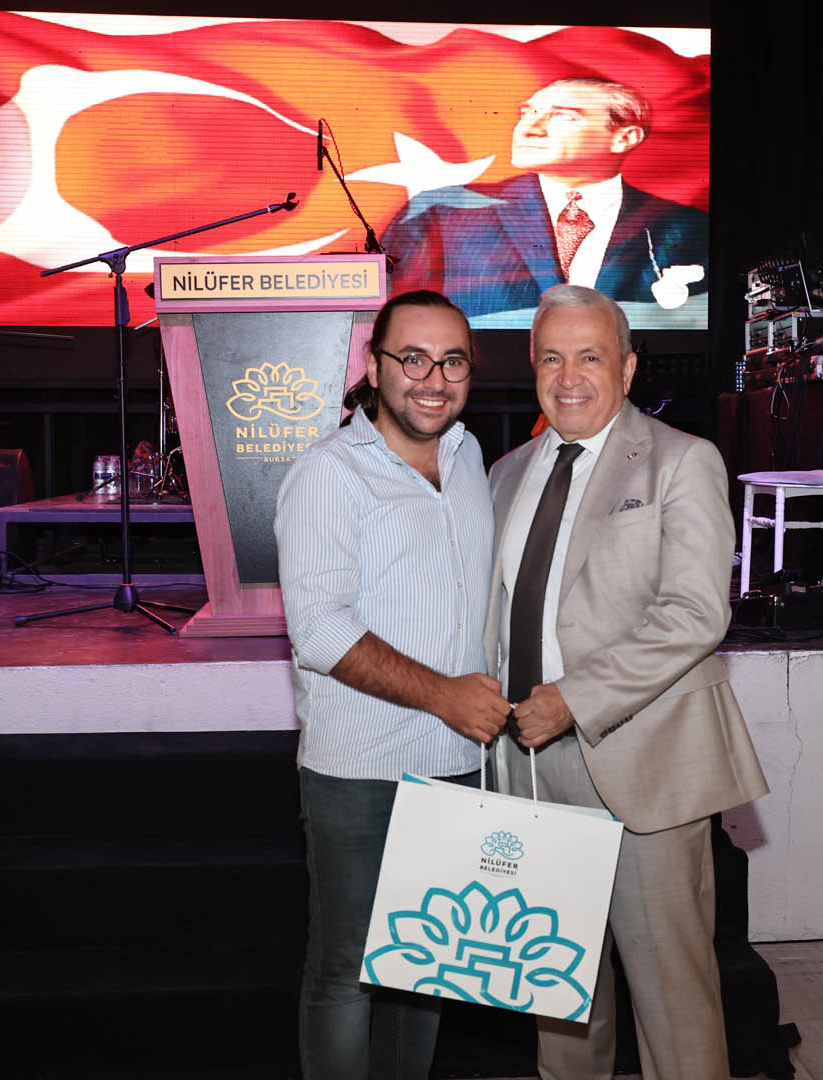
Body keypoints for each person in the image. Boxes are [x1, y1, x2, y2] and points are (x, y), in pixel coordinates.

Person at [485, 284, 768, 1077]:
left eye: (590, 356)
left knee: (675, 1006)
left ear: (628, 367)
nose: (568, 376)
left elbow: (696, 613)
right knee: (555, 993)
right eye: (551, 358)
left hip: (643, 765)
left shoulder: (682, 460)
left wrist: (571, 701)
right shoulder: (506, 473)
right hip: (528, 769)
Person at [274, 289, 512, 1078]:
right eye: (413, 358)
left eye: (452, 361)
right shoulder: (328, 474)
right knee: (347, 974)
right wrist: (446, 695)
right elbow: (319, 632)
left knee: (428, 969)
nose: (433, 380)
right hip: (361, 772)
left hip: (460, 763)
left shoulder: (470, 456)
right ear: (374, 367)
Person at [381, 78, 708, 320]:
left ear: (624, 138)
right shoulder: (442, 212)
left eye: (563, 116)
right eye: (527, 113)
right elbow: (397, 321)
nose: (529, 129)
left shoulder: (687, 226)